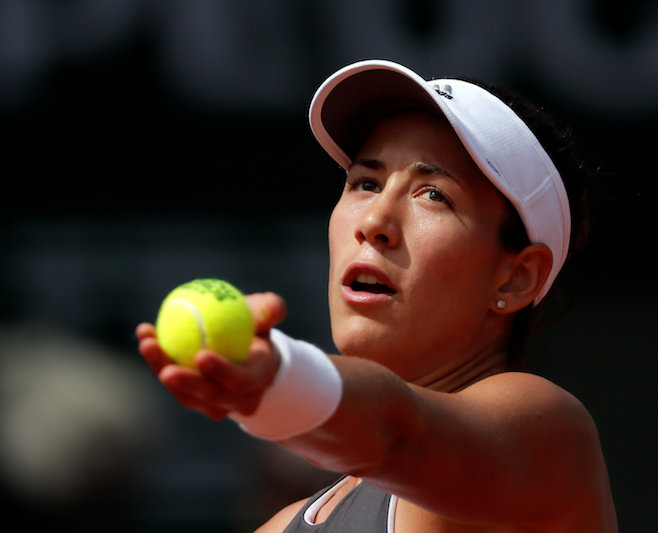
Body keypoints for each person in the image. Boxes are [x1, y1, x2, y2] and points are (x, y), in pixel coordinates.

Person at [136, 59, 618, 532]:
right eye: (365, 182)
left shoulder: (546, 434)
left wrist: (281, 376)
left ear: (515, 277)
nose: (374, 223)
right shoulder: (284, 525)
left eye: (433, 194)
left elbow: (397, 428)